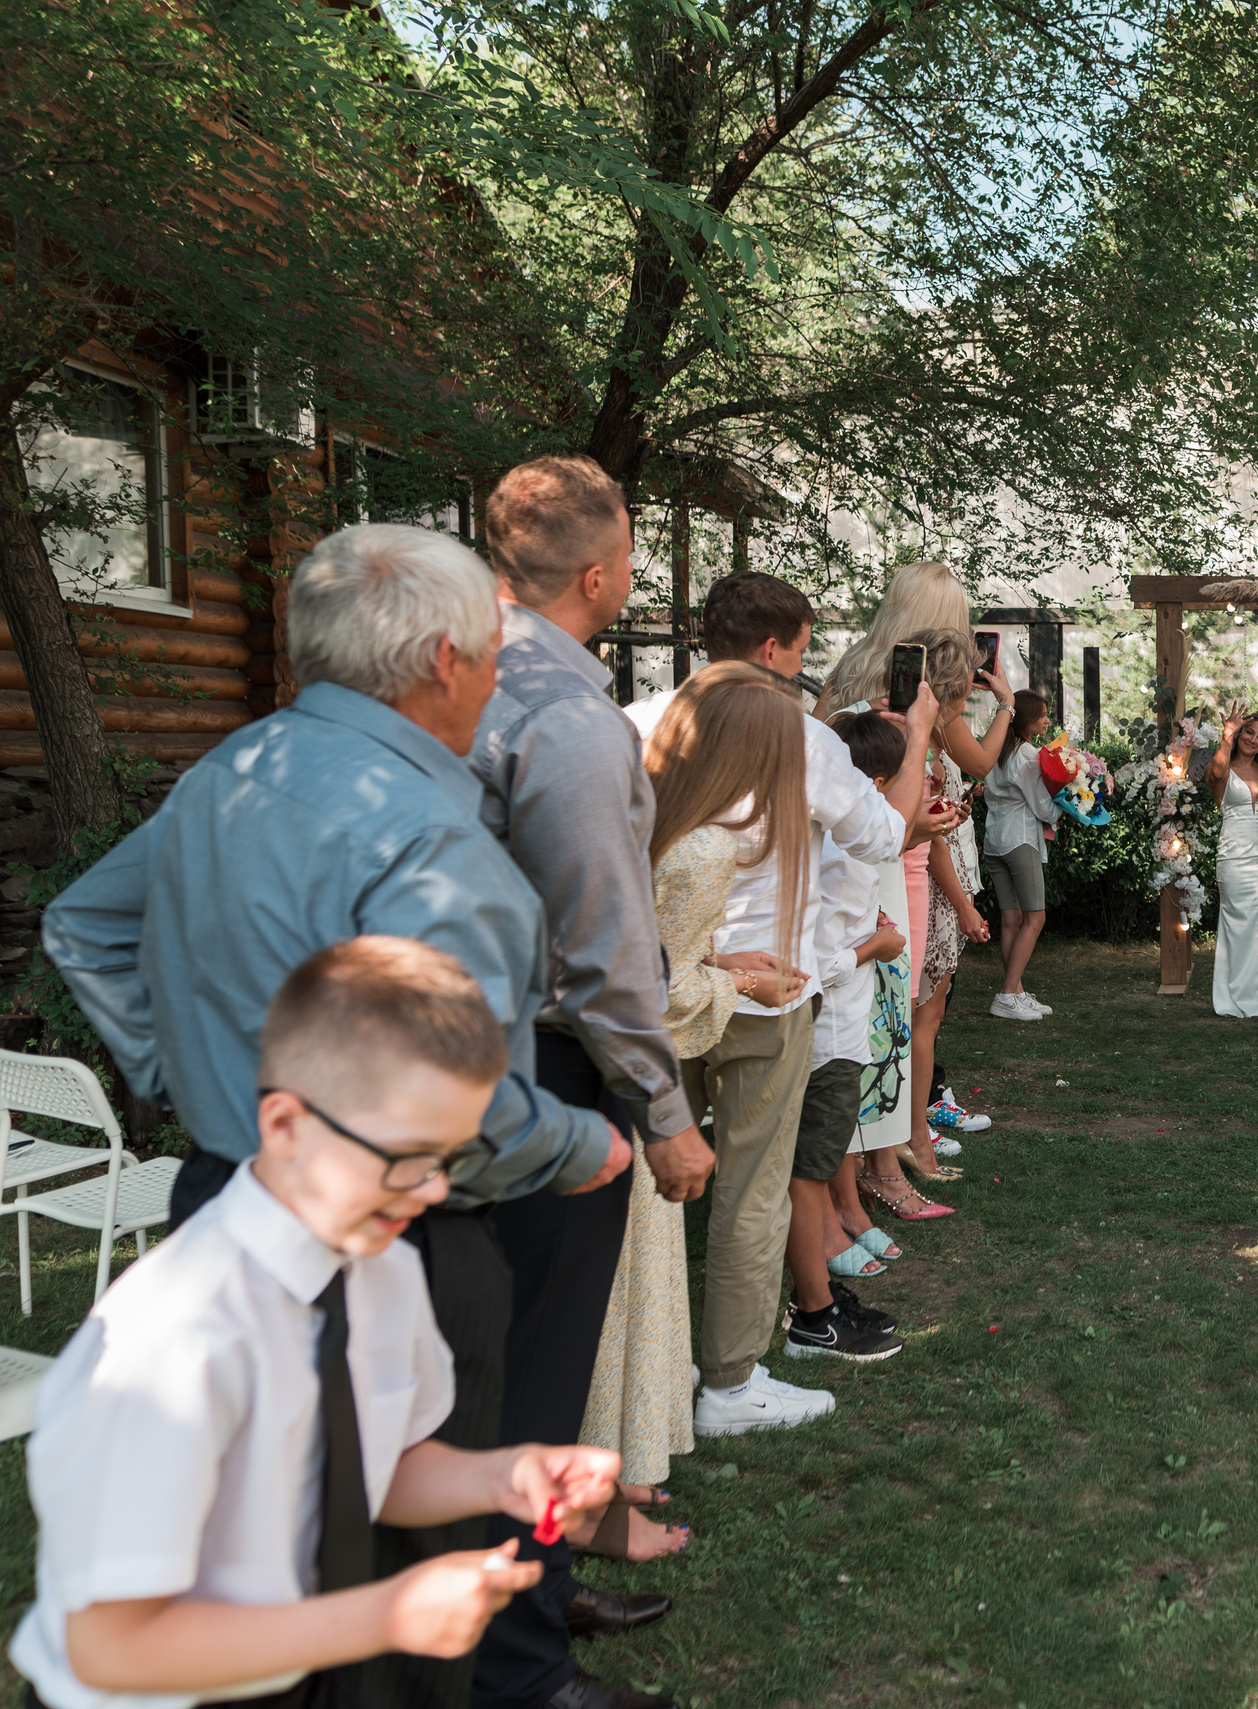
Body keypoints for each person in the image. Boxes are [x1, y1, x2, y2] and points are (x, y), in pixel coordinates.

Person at [39, 521, 629, 1709]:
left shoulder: (231, 768)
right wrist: (583, 1142)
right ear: (447, 662)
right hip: (401, 1234)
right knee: (386, 1640)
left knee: (296, 1532)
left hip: (233, 1183)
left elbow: (83, 923)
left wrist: (187, 1075)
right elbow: (463, 1114)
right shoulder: (432, 845)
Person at [8, 938, 622, 1709]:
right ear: (287, 1122)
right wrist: (386, 1614)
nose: (432, 1190)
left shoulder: (385, 1268)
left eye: (450, 1157)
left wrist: (503, 1473)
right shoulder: (173, 1343)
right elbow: (107, 1646)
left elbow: (382, 1459)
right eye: (406, 1156)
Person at [469, 455, 716, 1709]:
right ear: (604, 573)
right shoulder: (563, 714)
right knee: (535, 1366)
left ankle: (540, 1575)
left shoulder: (457, 680)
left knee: (502, 1359)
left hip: (473, 1062)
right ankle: (519, 1669)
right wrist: (664, 1115)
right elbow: (602, 940)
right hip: (552, 1073)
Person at [624, 575, 932, 1405]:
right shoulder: (799, 739)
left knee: (645, 1185)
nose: (801, 668)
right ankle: (728, 1381)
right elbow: (884, 832)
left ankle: (641, 1365)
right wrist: (924, 731)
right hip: (772, 994)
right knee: (752, 1190)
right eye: (800, 650)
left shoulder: (634, 725)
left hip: (657, 981)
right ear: (771, 649)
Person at [574, 665, 800, 1561]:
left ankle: (611, 1461)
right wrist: (737, 978)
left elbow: (652, 948)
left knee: (626, 1280)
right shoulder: (709, 845)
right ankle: (611, 1473)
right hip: (633, 1075)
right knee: (628, 1279)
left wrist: (717, 956)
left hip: (597, 1073)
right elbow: (649, 991)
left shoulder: (652, 813)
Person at [819, 560, 1013, 1138]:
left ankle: (879, 1129)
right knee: (917, 995)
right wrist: (1004, 704)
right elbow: (977, 762)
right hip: (915, 843)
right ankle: (904, 1126)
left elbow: (817, 741)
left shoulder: (852, 668)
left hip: (845, 839)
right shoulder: (931, 694)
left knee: (864, 992)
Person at [816, 710, 926, 1252]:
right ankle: (840, 1219)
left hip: (851, 1009)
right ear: (877, 785)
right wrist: (872, 947)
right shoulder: (836, 851)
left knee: (843, 1113)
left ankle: (849, 1211)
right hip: (829, 1011)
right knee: (829, 1124)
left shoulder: (847, 843)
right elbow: (819, 960)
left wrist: (871, 925)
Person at [980, 689, 1061, 1020]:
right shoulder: (1026, 755)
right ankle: (1006, 992)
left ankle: (1016, 992)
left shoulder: (994, 746)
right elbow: (1042, 805)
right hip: (1019, 840)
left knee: (1011, 920)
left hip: (994, 841)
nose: (1046, 719)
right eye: (1042, 715)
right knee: (1035, 918)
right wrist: (1068, 805)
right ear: (1026, 718)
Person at [1208, 705, 1258, 1018]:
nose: (1253, 740)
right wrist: (1227, 735)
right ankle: (1236, 998)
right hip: (1234, 856)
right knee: (1238, 925)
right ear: (1239, 732)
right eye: (1249, 732)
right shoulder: (1222, 769)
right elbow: (1214, 775)